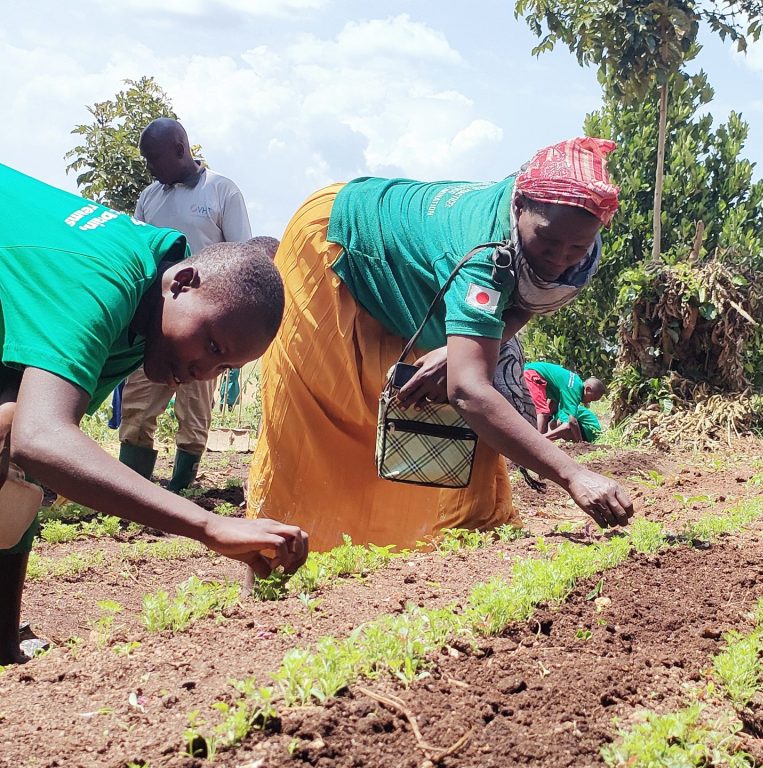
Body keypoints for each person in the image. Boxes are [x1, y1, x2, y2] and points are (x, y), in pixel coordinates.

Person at [247, 137, 634, 555]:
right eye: (548, 242)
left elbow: (525, 300)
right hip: (338, 247)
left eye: (576, 247)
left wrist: (457, 353)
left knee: (438, 408)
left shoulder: (577, 243)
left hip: (418, 277)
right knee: (321, 429)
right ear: (518, 208)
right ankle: (271, 556)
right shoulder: (484, 254)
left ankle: (459, 552)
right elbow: (469, 391)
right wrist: (573, 474)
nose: (561, 258)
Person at [0, 163, 308, 664]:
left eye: (223, 366)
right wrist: (209, 526)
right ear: (183, 282)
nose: (202, 371)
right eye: (211, 344)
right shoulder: (101, 282)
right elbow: (40, 440)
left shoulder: (145, 316)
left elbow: (26, 454)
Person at [118, 118, 253, 493]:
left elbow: (241, 259)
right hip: (157, 324)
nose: (148, 167)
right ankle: (132, 491)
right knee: (138, 408)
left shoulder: (222, 191)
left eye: (153, 158)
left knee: (193, 415)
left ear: (180, 149)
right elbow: (140, 255)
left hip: (206, 327)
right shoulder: (149, 197)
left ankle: (179, 490)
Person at [523, 361, 606, 443]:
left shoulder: (575, 383)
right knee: (543, 412)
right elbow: (572, 422)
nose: (590, 402)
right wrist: (580, 442)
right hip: (534, 374)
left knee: (546, 413)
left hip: (533, 371)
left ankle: (540, 440)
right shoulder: (575, 390)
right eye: (592, 398)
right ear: (588, 390)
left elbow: (552, 404)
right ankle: (538, 442)